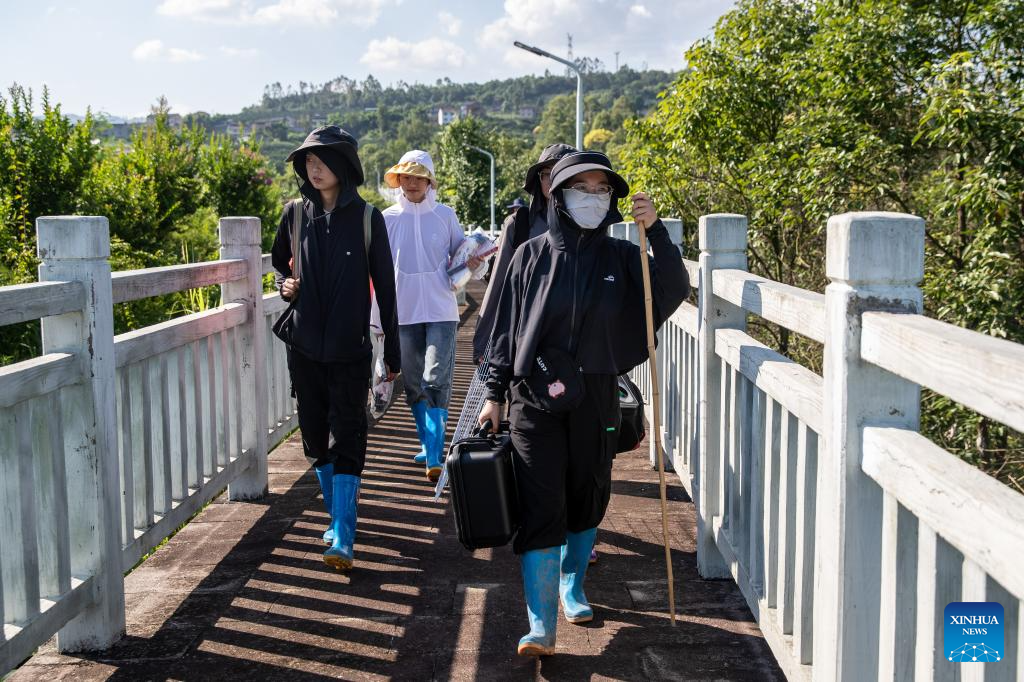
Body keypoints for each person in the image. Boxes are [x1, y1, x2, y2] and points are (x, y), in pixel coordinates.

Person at [477, 151, 689, 657]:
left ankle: (573, 583)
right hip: (534, 400)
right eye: (581, 188)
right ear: (558, 195)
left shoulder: (622, 257)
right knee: (540, 501)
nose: (592, 198)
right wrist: (494, 394)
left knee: (588, 491)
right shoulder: (530, 256)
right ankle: (540, 623)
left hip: (596, 394)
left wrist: (655, 231)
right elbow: (506, 331)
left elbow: (674, 288)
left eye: (601, 190)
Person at [271, 125, 400, 572]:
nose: (314, 167)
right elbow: (278, 265)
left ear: (344, 166)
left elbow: (386, 288)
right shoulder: (293, 214)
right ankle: (338, 517)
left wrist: (395, 353)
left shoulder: (368, 219)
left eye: (322, 159)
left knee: (348, 435)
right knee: (313, 437)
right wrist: (283, 285)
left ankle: (344, 534)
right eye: (308, 160)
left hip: (350, 349)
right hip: (304, 346)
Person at [376, 150, 487, 481]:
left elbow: (462, 257)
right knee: (412, 383)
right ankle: (430, 445)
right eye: (406, 177)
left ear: (429, 182)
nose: (411, 183)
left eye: (418, 177)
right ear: (399, 181)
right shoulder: (387, 218)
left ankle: (435, 455)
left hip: (441, 308)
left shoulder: (445, 215)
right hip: (403, 311)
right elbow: (377, 270)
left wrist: (474, 265)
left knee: (435, 377)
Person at [472, 143, 576, 365]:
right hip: (525, 335)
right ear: (538, 180)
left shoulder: (590, 226)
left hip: (576, 339)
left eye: (563, 173)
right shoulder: (519, 225)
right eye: (548, 174)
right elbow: (499, 285)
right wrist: (483, 342)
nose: (554, 180)